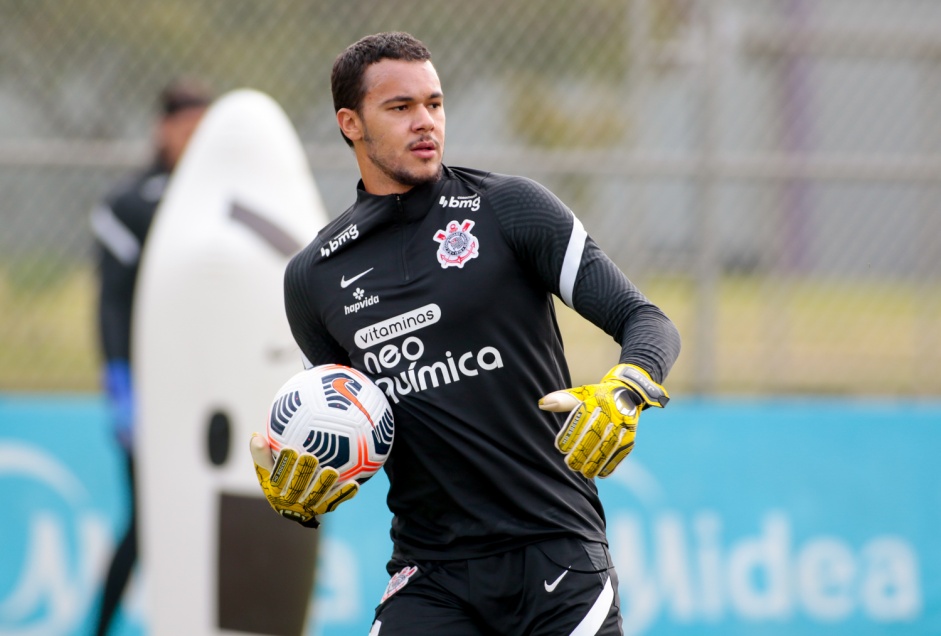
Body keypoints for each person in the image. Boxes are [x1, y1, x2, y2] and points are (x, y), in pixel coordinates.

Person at [250, 31, 680, 635]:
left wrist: (626, 388)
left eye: (435, 103)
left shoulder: (512, 210)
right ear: (350, 123)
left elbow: (647, 320)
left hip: (555, 556)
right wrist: (304, 482)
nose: (425, 121)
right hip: (433, 574)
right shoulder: (313, 278)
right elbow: (346, 420)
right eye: (400, 108)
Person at [89, 78, 212, 635]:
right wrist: (120, 383)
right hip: (151, 389)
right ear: (162, 130)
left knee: (215, 518)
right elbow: (112, 301)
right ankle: (99, 627)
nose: (194, 139)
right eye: (186, 128)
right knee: (148, 521)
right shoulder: (129, 204)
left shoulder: (223, 200)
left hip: (211, 386)